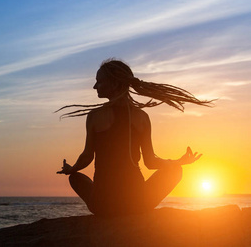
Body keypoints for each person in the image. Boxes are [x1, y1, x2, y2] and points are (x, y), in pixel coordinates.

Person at [56, 59, 212, 217]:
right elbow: (150, 162)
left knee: (75, 178)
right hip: (137, 203)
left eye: (99, 81)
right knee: (175, 171)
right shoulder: (142, 117)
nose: (95, 86)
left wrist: (71, 169)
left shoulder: (94, 116)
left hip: (103, 204)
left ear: (114, 83)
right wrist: (178, 162)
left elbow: (87, 156)